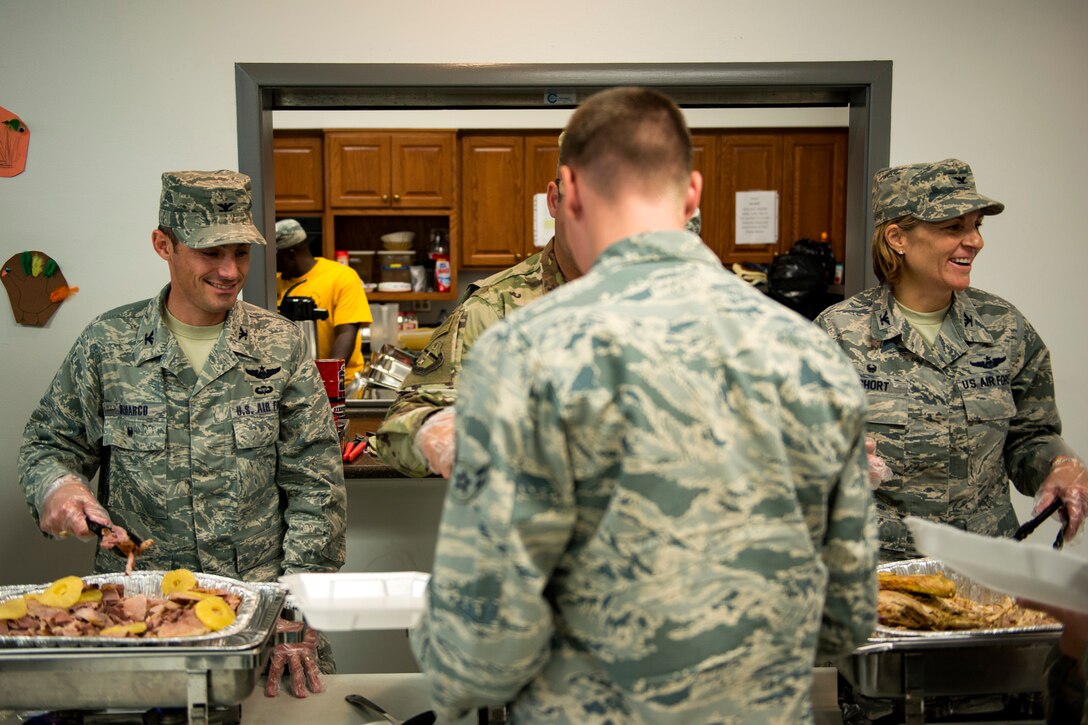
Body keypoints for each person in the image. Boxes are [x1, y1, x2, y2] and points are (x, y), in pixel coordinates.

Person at [410, 87, 878, 723]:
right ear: (692, 193)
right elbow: (846, 617)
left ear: (568, 190)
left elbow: (482, 653)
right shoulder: (811, 354)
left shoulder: (527, 351)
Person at [18, 170, 347, 696]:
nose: (230, 270)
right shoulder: (109, 344)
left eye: (240, 252)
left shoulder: (279, 346)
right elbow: (49, 444)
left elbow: (317, 486)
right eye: (210, 253)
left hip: (262, 622)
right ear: (163, 245)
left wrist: (297, 608)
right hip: (138, 619)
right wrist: (60, 486)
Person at [815, 159, 1088, 563]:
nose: (974, 241)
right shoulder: (838, 333)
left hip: (985, 563)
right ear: (897, 238)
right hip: (875, 567)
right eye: (953, 227)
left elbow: (1030, 436)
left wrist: (1058, 465)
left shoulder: (1004, 329)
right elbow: (791, 451)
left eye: (976, 226)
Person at [372, 135, 583, 478]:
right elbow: (402, 426)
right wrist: (442, 432)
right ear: (555, 200)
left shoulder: (671, 304)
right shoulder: (493, 309)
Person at [275, 218, 372, 381]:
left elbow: (346, 333)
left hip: (342, 383)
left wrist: (328, 381)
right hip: (293, 382)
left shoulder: (341, 277)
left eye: (274, 257)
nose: (272, 265)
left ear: (290, 254)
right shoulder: (274, 282)